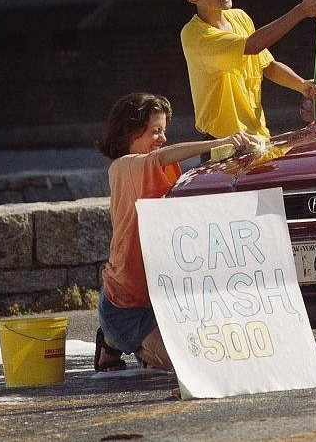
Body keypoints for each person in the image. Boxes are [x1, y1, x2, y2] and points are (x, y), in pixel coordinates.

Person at [94, 92, 253, 372]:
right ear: (130, 131)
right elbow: (165, 154)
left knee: (202, 357)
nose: (162, 138)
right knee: (178, 365)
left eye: (164, 131)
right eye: (156, 131)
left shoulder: (161, 166)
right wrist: (223, 141)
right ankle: (112, 340)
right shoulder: (123, 166)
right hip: (125, 302)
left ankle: (122, 343)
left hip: (161, 298)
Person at [177, 0, 316, 141]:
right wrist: (302, 10)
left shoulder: (239, 17)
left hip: (258, 137)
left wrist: (303, 85)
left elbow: (268, 66)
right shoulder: (194, 35)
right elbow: (253, 45)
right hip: (224, 143)